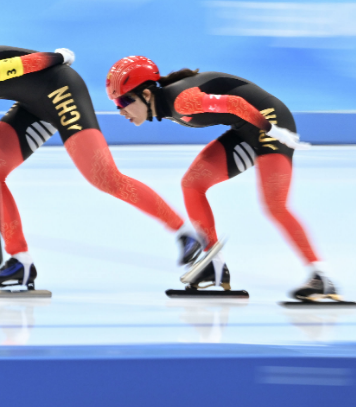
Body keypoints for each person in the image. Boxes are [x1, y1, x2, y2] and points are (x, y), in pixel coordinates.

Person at [0, 23, 201, 290]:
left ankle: (186, 233)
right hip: (32, 104)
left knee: (104, 177)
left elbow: (28, 63)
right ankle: (20, 262)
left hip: (61, 90)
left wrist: (60, 57)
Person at [106, 56, 343, 302]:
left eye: (124, 101)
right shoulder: (164, 104)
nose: (121, 110)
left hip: (270, 123)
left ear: (146, 94)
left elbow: (235, 103)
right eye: (115, 104)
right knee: (192, 184)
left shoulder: (180, 100)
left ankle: (322, 277)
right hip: (245, 129)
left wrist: (273, 130)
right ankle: (214, 265)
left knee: (275, 205)